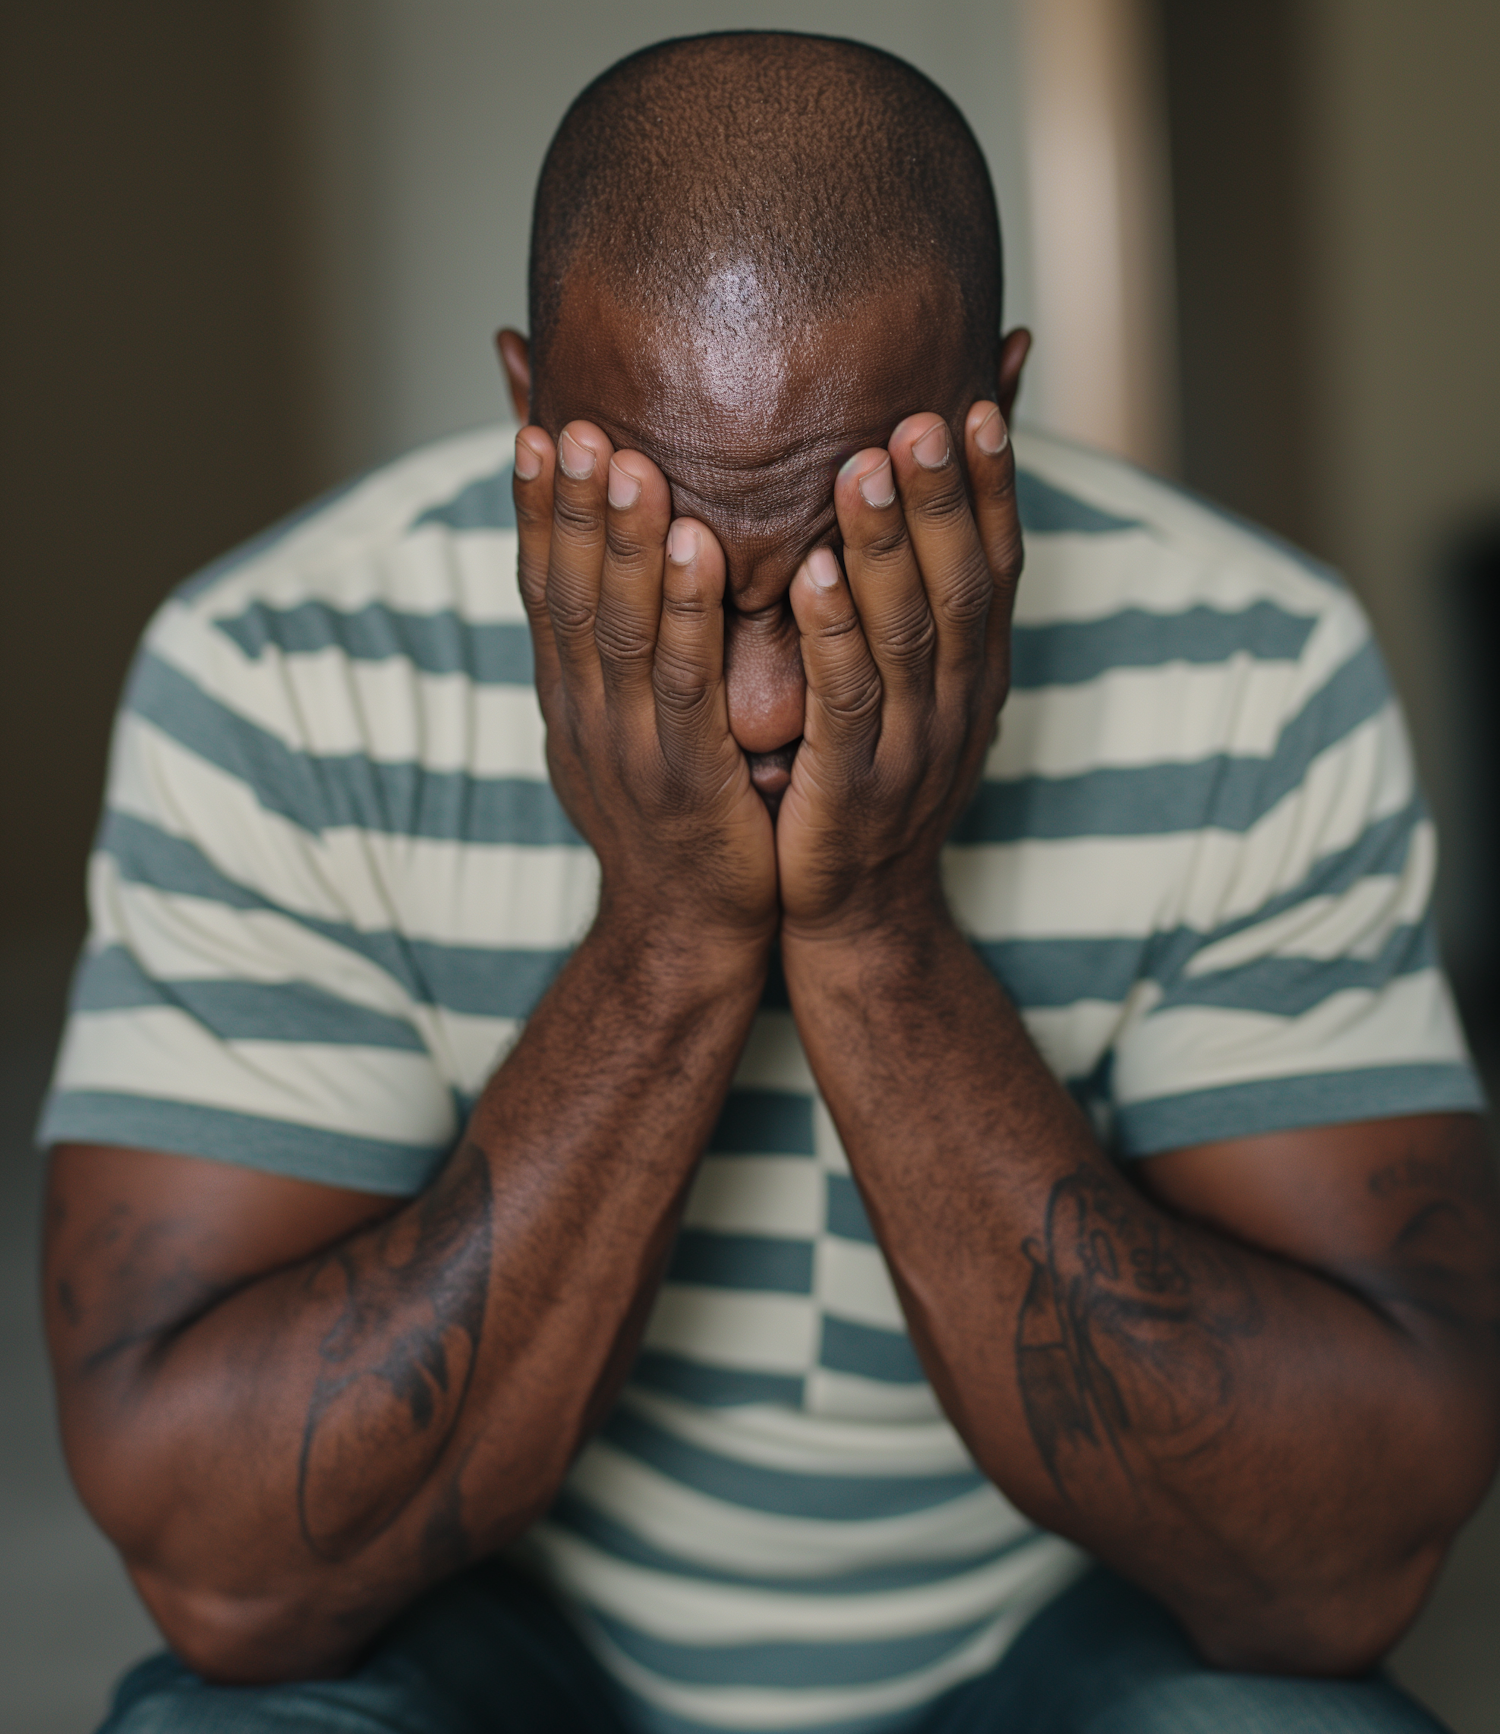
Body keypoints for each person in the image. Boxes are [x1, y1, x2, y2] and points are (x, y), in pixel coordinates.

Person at [39, 31, 1498, 1734]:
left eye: (844, 567)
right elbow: (227, 1576)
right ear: (528, 412)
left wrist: (879, 938)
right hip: (504, 1645)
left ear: (995, 410)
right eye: (668, 564)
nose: (757, 704)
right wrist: (667, 942)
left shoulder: (1257, 670)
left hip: (1052, 1652)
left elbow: (1346, 1569)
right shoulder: (277, 676)